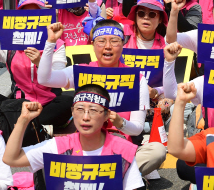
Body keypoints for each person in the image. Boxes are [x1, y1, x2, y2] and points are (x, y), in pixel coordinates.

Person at [37, 18, 170, 179]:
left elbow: (137, 128)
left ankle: (106, 176)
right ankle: (121, 176)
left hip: (119, 148)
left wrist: (120, 122)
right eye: (101, 41)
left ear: (122, 44)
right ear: (93, 45)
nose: (107, 46)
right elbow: (44, 79)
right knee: (44, 158)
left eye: (114, 41)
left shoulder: (137, 79)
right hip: (84, 146)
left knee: (157, 151)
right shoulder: (79, 71)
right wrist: (51, 42)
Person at [2, 85, 144, 190]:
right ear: (72, 112)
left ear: (106, 115)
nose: (86, 117)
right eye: (80, 109)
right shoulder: (58, 146)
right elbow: (11, 159)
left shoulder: (123, 149)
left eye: (93, 111)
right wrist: (23, 120)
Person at [0, 0, 73, 128]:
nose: (30, 18)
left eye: (36, 13)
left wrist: (40, 63)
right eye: (25, 14)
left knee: (67, 102)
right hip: (20, 105)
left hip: (48, 103)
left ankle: (17, 125)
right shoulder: (9, 44)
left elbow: (59, 78)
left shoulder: (56, 44)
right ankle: (35, 126)